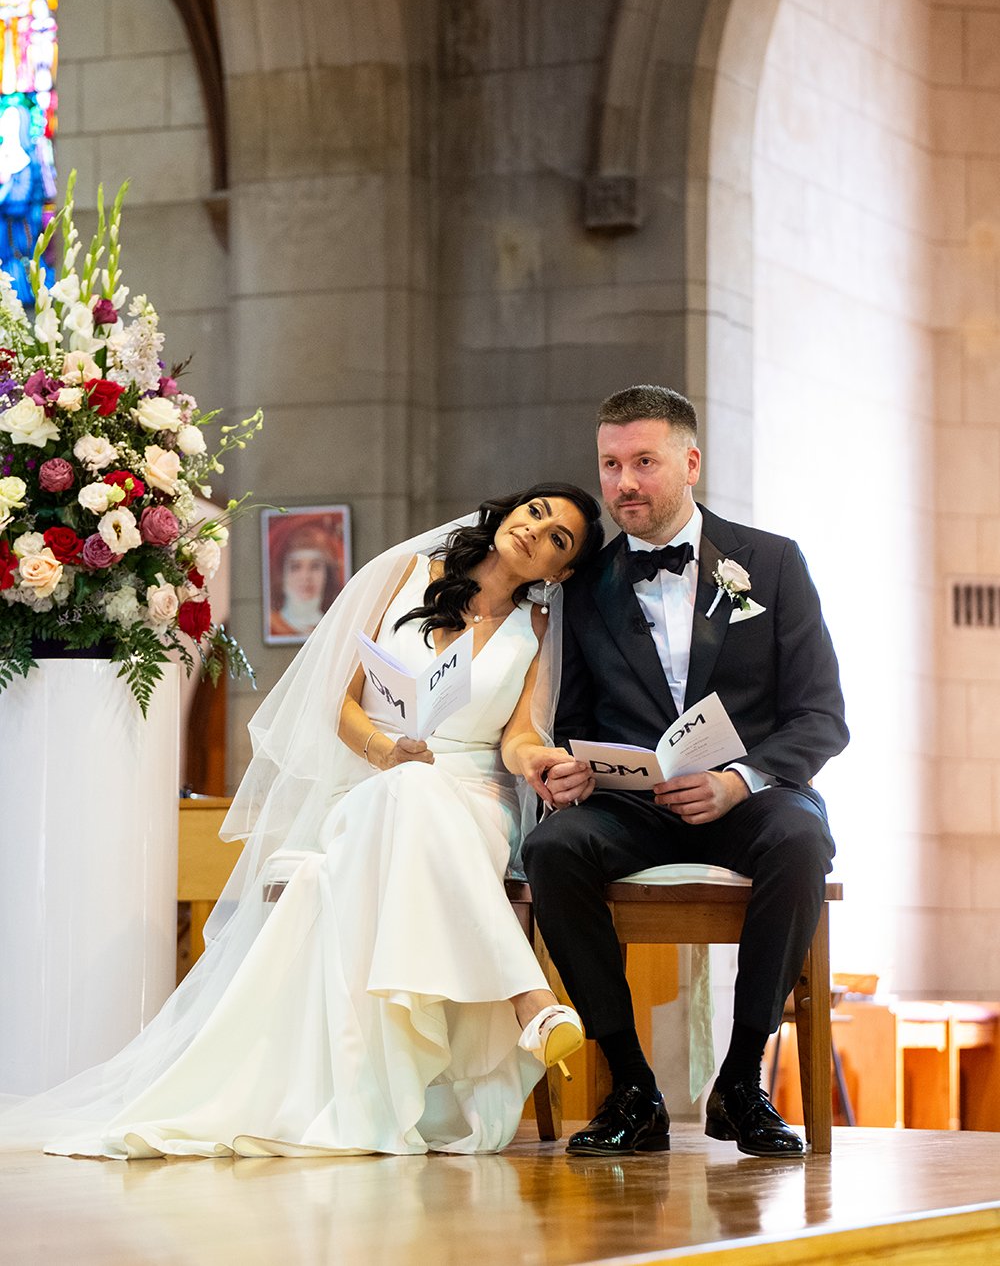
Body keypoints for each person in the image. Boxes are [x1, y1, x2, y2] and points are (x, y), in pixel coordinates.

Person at [0, 483, 603, 1158]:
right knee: (407, 791)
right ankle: (530, 1000)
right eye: (536, 513)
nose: (536, 531)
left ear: (561, 571)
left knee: (420, 795)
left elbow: (519, 735)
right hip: (377, 778)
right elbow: (336, 699)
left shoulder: (538, 628)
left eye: (559, 538)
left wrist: (539, 759)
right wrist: (386, 750)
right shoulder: (406, 575)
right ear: (509, 511)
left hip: (476, 801)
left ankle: (508, 1013)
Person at [521, 386, 848, 1158]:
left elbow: (822, 714)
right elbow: (573, 720)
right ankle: (633, 1090)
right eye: (610, 465)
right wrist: (569, 770)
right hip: (631, 806)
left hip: (749, 799)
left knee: (801, 841)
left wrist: (741, 780)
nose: (623, 483)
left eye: (643, 462)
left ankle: (741, 1084)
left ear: (690, 462)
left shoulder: (771, 561)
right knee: (552, 849)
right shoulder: (586, 586)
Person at [267, 518, 344, 638]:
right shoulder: (273, 623)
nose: (306, 577)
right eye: (296, 567)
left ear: (327, 574)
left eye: (315, 566)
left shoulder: (336, 626)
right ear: (282, 575)